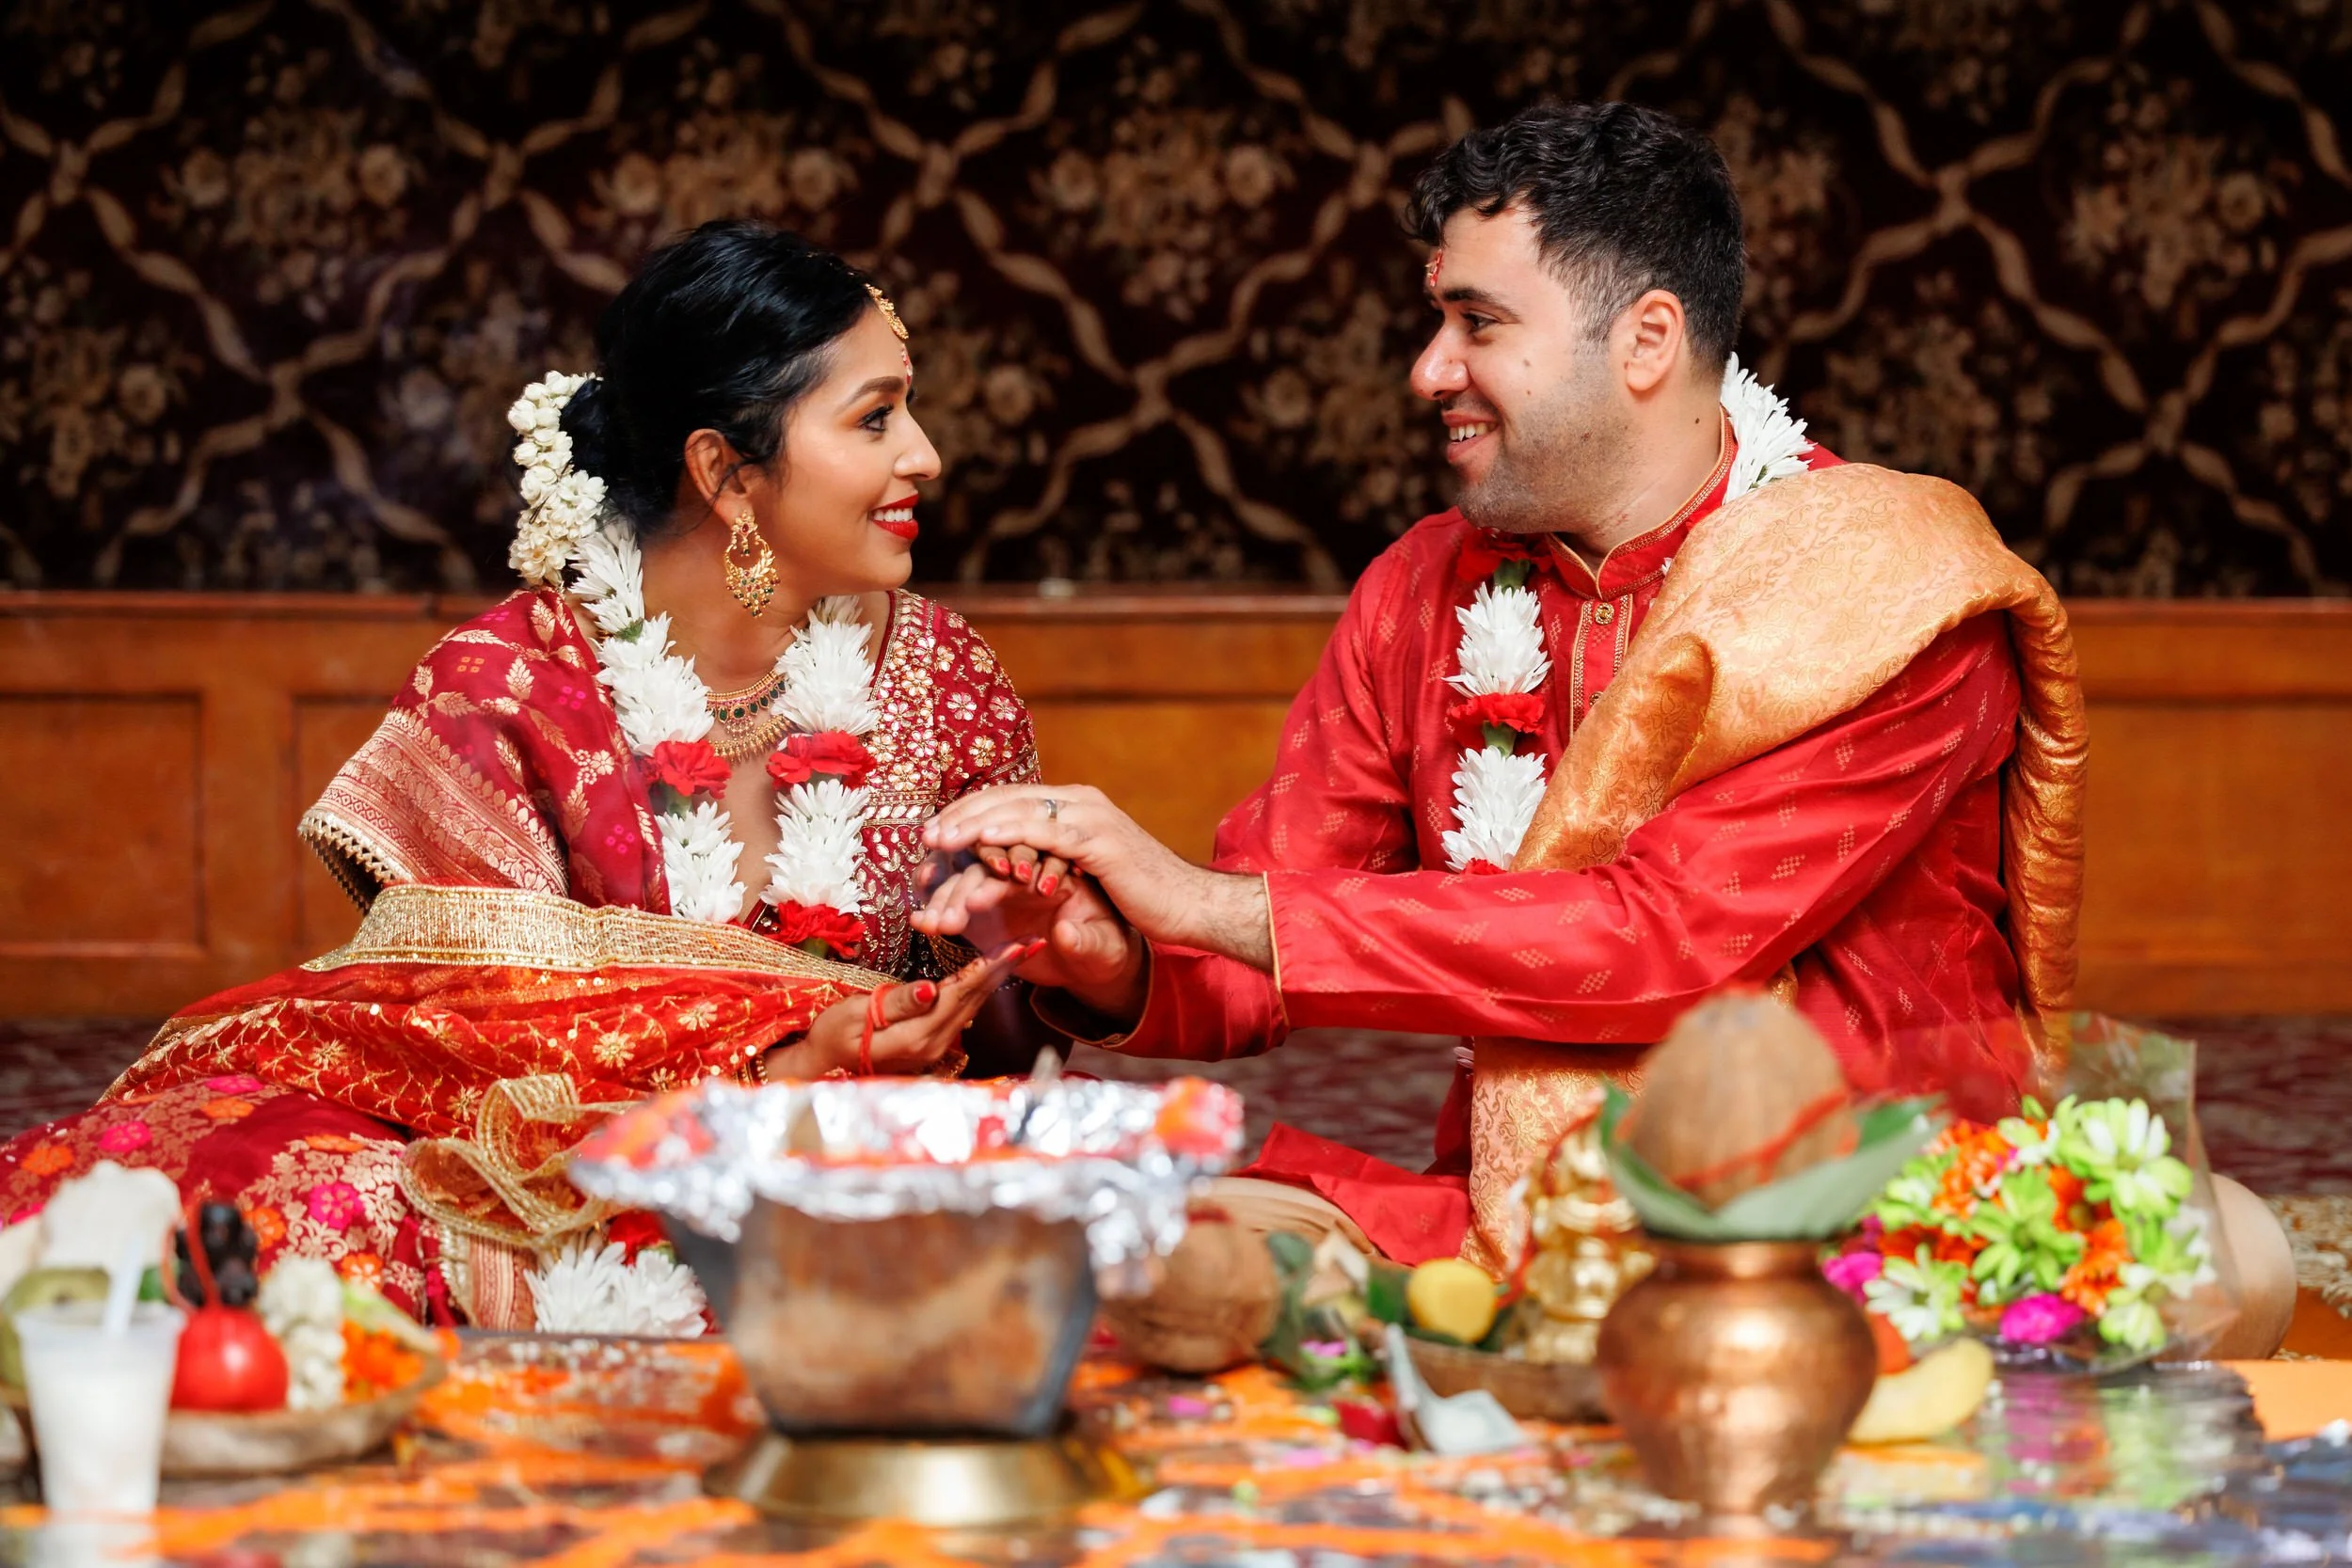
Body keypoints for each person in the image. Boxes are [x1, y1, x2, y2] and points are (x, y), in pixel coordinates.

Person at [914, 103, 2296, 1355]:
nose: (1425, 366)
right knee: (1103, 1241)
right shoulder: (1422, 590)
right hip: (1528, 1210)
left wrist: (1214, 905)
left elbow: (1660, 939)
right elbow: (1267, 925)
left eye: (1477, 322)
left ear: (1646, 340)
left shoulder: (1884, 589)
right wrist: (1113, 961)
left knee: (2215, 1259)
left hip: (1856, 1201)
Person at [0, 221, 1047, 1328]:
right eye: (876, 417)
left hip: (860, 1168)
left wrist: (1012, 955)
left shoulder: (942, 679)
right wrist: (778, 1066)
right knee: (289, 1202)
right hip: (545, 1188)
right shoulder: (504, 685)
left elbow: (1011, 1061)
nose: (924, 453)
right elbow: (451, 1044)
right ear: (725, 473)